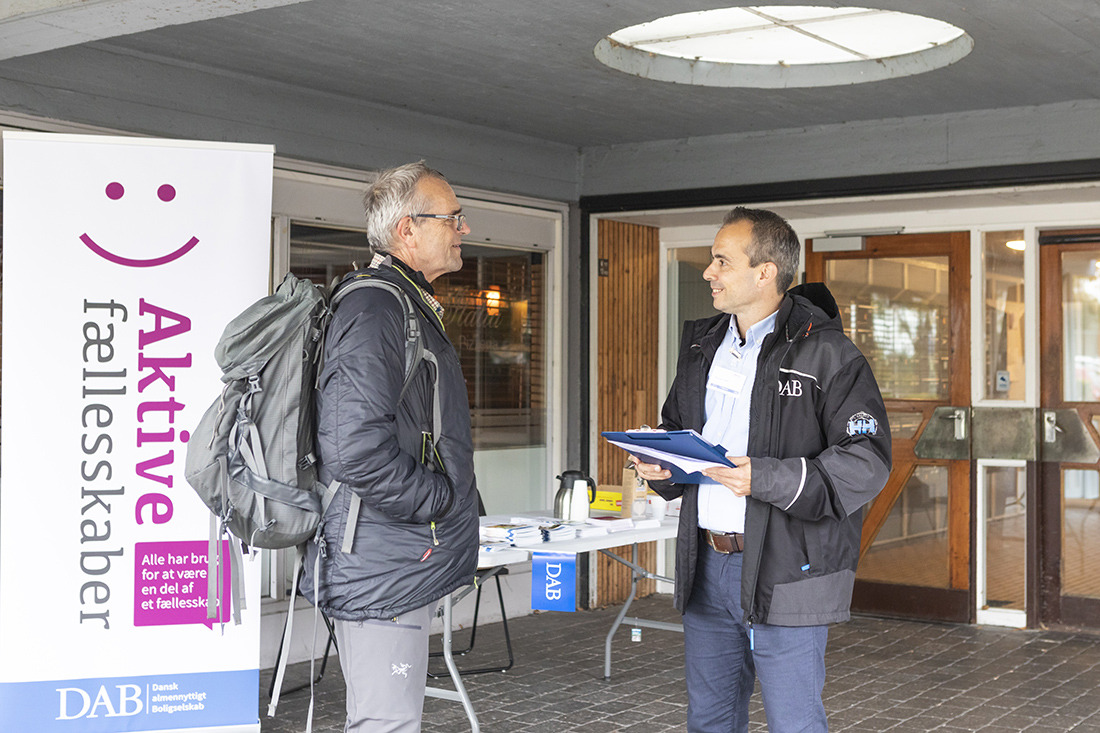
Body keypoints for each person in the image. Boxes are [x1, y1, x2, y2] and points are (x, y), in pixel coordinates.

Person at [633, 207, 892, 732]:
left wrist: (765, 478)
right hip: (706, 565)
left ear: (765, 272)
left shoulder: (829, 353)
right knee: (709, 720)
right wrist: (665, 466)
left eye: (722, 261)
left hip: (789, 568)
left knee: (794, 722)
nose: (709, 272)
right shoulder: (702, 346)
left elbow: (866, 460)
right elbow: (680, 429)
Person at [301, 161, 480, 732]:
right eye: (452, 217)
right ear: (408, 229)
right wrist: (440, 500)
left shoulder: (402, 302)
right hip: (383, 559)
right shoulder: (376, 307)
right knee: (387, 723)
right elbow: (353, 447)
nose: (464, 228)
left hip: (391, 553)